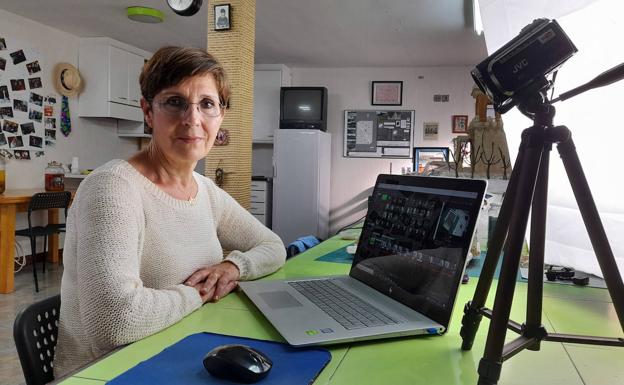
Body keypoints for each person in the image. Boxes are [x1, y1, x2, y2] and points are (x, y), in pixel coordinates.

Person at [53, 46, 286, 377]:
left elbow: (273, 247)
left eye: (207, 104)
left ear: (221, 115)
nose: (192, 119)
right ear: (147, 111)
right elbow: (113, 320)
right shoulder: (113, 188)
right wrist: (199, 293)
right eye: (175, 102)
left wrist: (233, 266)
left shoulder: (205, 191)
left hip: (182, 346)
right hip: (111, 372)